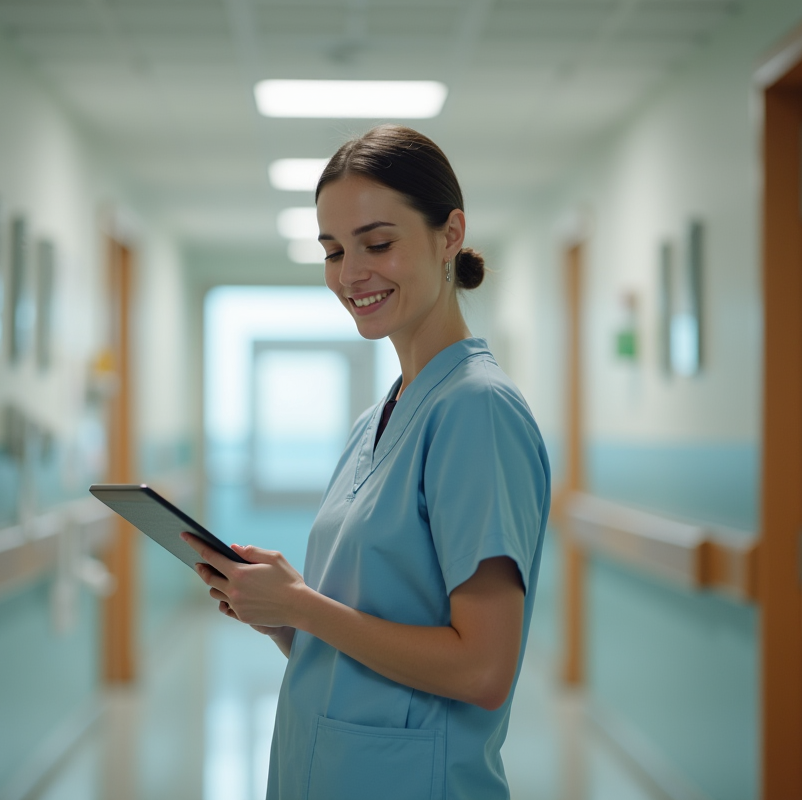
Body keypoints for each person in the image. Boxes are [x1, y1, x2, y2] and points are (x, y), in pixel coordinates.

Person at [183, 124, 551, 800]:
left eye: (378, 244)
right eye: (333, 250)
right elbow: (371, 643)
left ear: (449, 235)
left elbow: (481, 669)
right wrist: (288, 617)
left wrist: (309, 609)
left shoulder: (477, 411)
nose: (351, 274)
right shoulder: (376, 420)